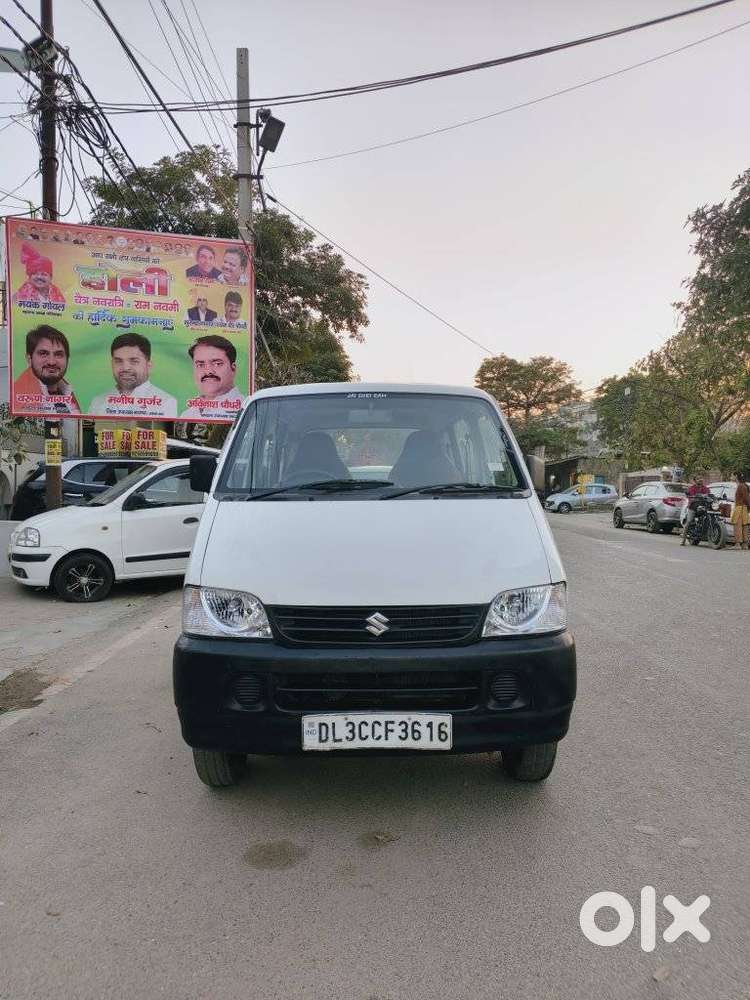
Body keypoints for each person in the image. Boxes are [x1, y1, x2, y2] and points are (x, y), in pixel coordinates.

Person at [88, 333, 177, 418]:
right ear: (112, 364)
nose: (125, 368)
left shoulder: (166, 403)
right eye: (118, 361)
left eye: (134, 361)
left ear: (149, 366)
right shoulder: (98, 403)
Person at [12, 325, 80, 414]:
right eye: (43, 353)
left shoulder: (67, 393)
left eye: (58, 354)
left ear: (67, 359)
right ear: (29, 359)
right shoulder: (16, 398)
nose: (51, 362)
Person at [180, 334, 244, 419]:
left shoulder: (245, 410)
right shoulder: (187, 415)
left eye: (217, 364)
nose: (208, 371)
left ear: (233, 368)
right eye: (200, 364)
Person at [680, 474, 710, 546]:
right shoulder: (692, 488)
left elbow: (709, 494)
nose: (701, 479)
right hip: (693, 507)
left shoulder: (705, 488)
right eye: (698, 478)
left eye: (701, 478)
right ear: (695, 481)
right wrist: (695, 497)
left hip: (703, 506)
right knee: (689, 521)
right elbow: (690, 496)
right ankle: (683, 539)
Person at [730, 472, 750, 549]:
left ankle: (738, 544)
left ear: (736, 476)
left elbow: (746, 498)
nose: (731, 477)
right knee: (745, 525)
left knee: (737, 525)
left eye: (732, 475)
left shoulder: (741, 486)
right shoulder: (743, 485)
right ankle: (745, 544)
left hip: (740, 507)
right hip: (744, 508)